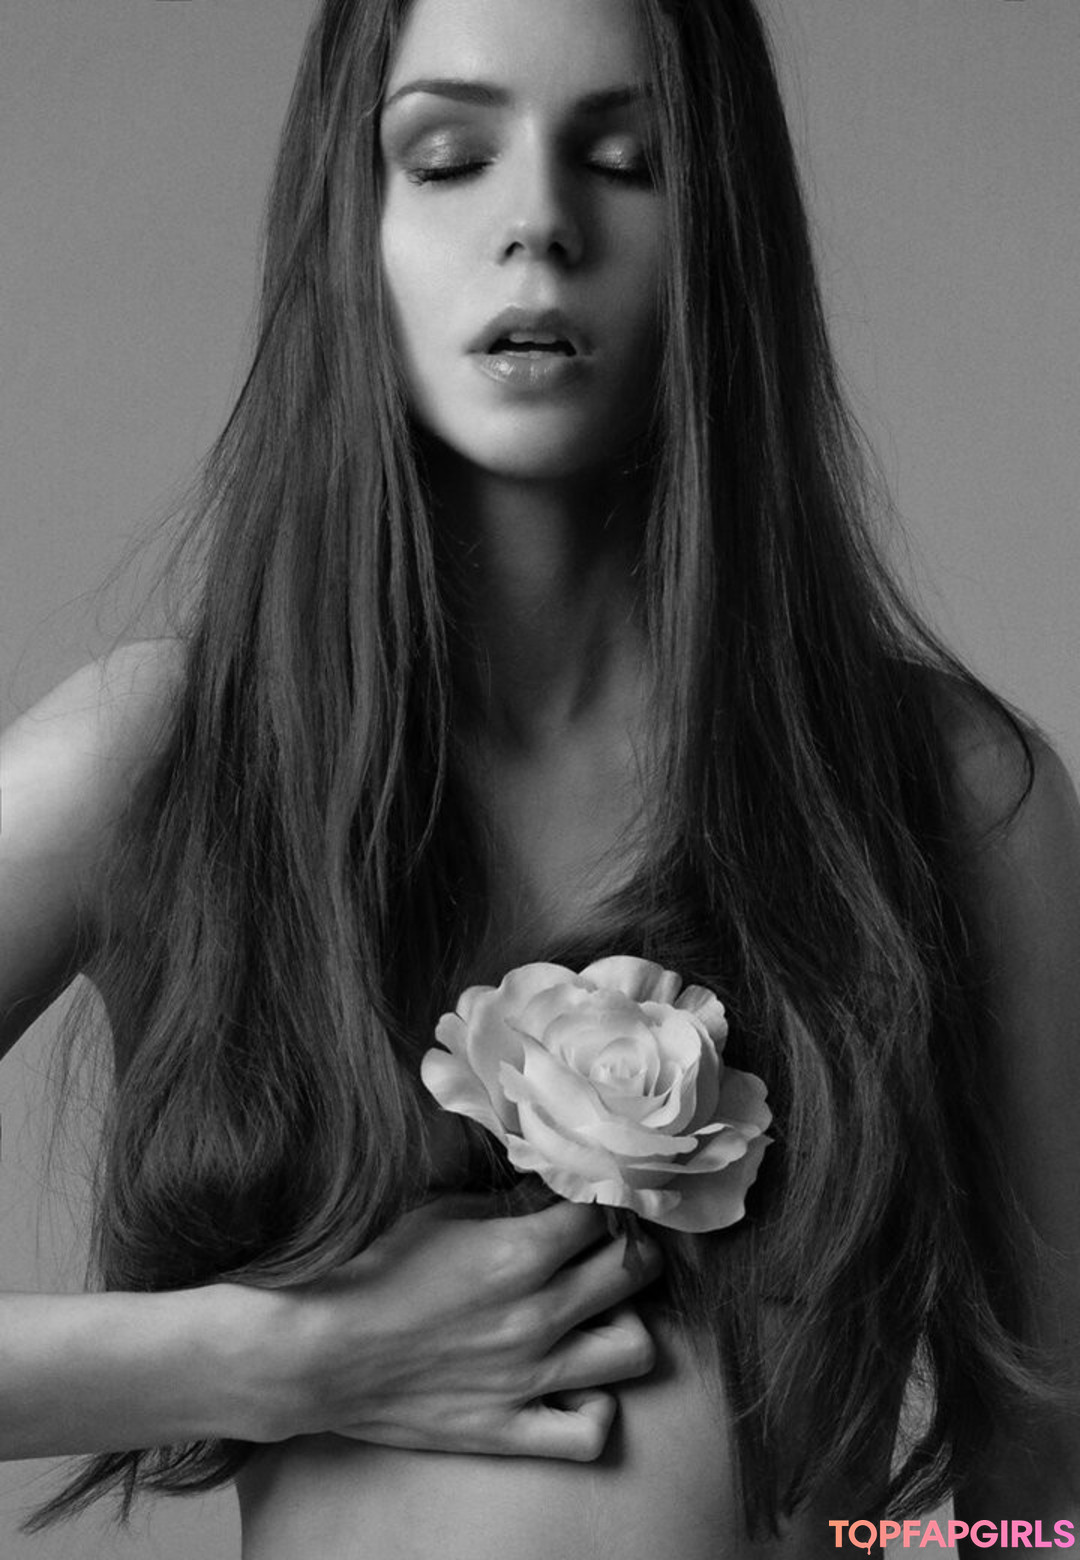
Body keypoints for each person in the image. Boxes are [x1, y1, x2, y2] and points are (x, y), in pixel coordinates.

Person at [1, 0, 1077, 1555]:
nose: (539, 228)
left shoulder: (953, 797)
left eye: (627, 161)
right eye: (448, 158)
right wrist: (278, 1358)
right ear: (348, 228)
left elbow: (1051, 1494)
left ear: (724, 233)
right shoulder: (169, 762)